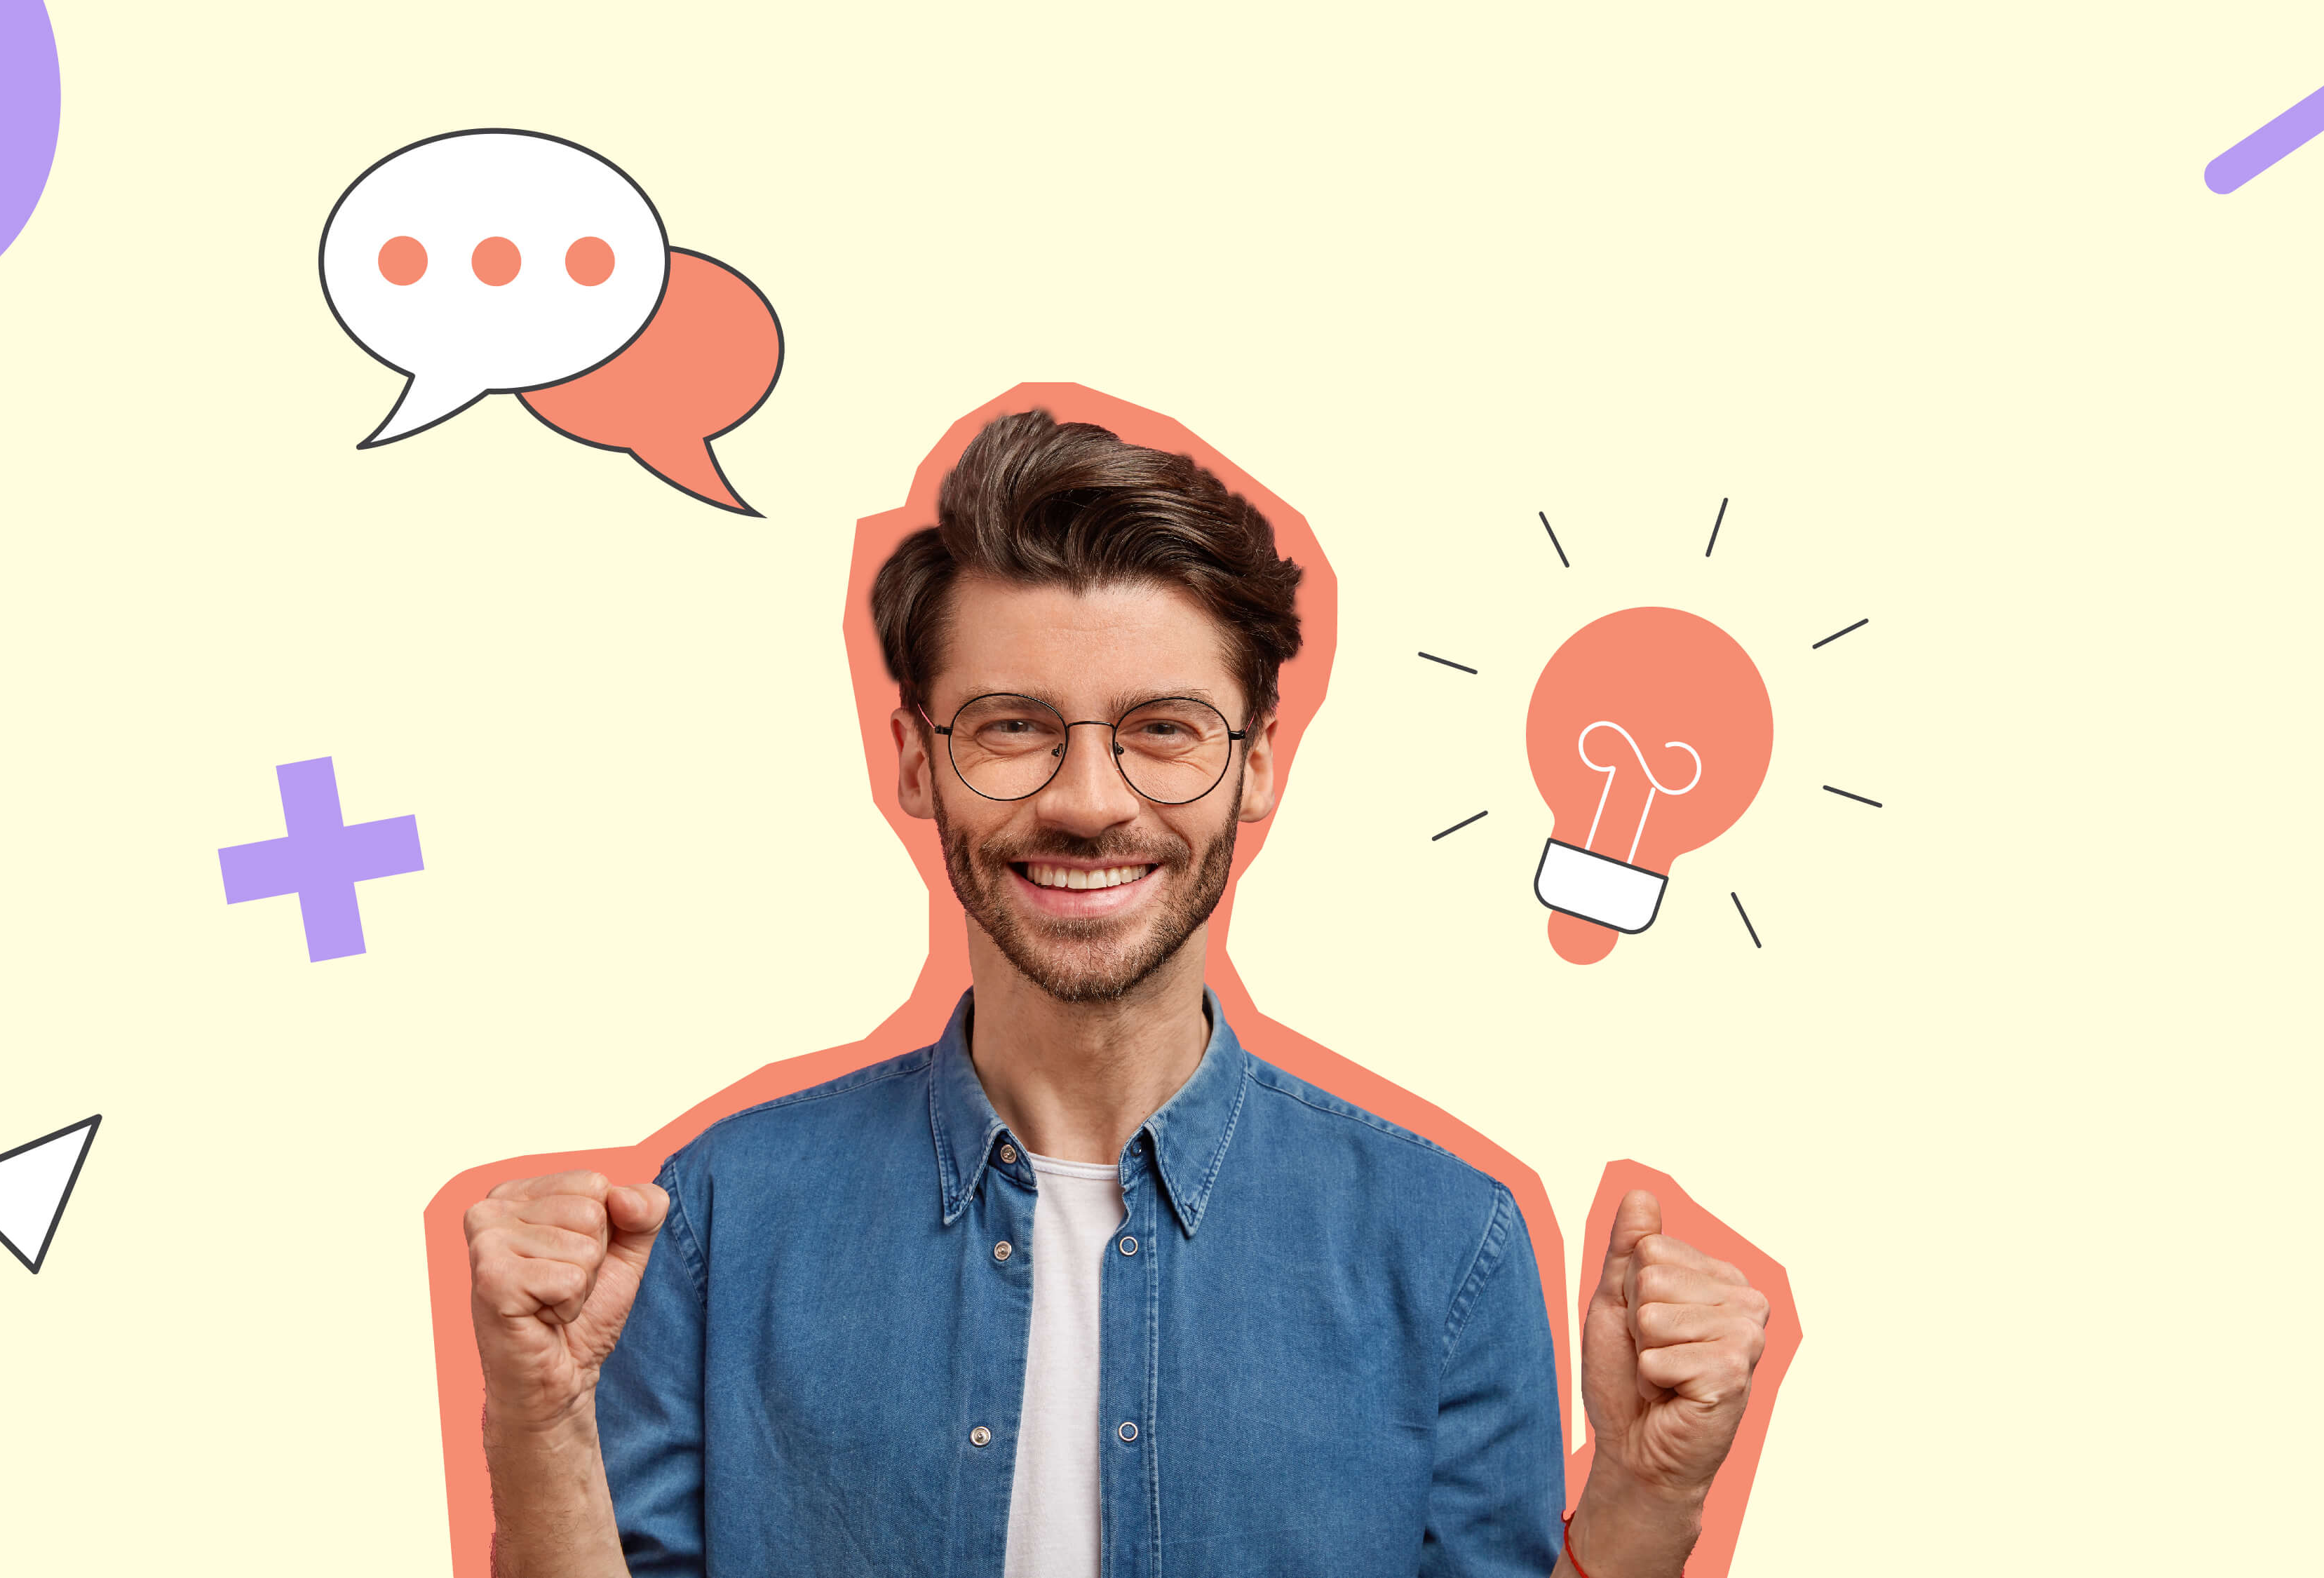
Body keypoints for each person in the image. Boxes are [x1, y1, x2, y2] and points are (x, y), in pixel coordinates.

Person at [462, 407, 1771, 1577]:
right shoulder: (718, 1218)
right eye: (1013, 725)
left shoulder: (1447, 1246)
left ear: (1257, 764)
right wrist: (537, 1423)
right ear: (915, 760)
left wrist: (1646, 1504)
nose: (1089, 801)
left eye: (1163, 729)